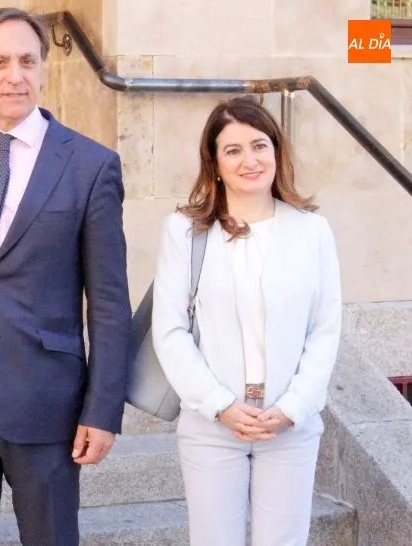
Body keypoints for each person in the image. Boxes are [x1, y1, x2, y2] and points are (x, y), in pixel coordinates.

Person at [0, 7, 131, 545]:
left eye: (27, 61)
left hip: (48, 396)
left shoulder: (90, 164)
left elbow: (107, 301)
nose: (15, 74)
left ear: (43, 68)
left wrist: (102, 410)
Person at [151, 96, 342, 545]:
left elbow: (325, 329)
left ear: (276, 152)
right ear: (214, 163)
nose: (249, 160)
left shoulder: (312, 232)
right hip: (212, 424)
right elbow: (171, 330)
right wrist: (219, 404)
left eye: (259, 145)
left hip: (289, 425)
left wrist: (292, 408)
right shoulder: (184, 230)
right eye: (232, 150)